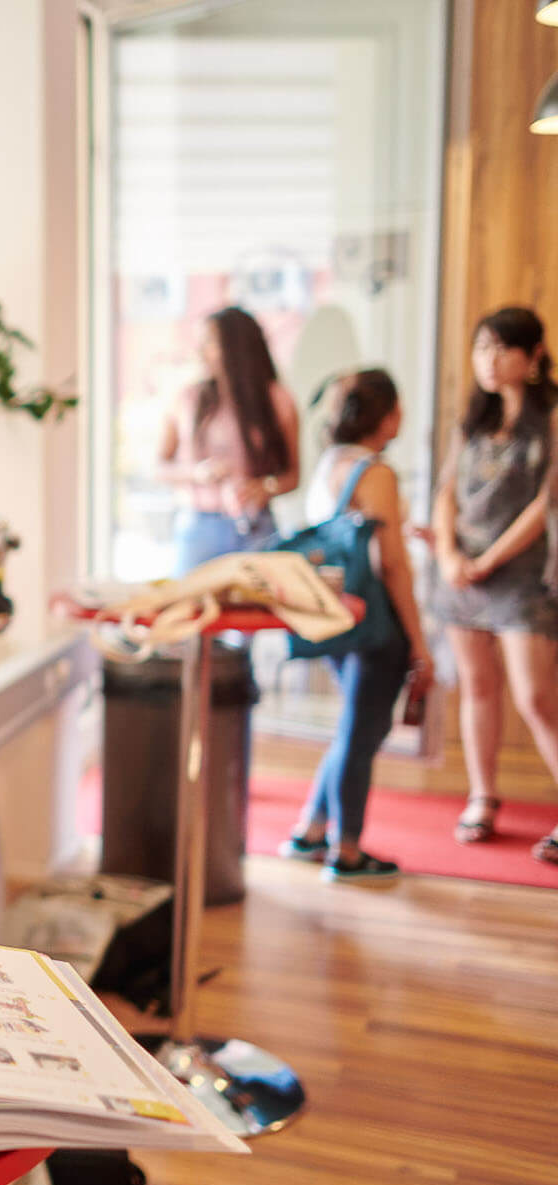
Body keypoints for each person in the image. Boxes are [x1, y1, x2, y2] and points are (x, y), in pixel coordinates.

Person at [277, 370, 433, 883]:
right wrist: (419, 641)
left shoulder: (331, 464)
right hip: (378, 622)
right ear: (387, 416)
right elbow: (393, 565)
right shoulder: (377, 472)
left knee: (352, 728)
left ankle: (312, 830)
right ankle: (346, 852)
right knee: (362, 734)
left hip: (339, 620)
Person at [427, 306, 558, 863]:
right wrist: (449, 553)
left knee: (535, 697)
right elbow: (445, 494)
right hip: (462, 573)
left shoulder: (551, 418)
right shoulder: (472, 421)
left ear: (532, 358)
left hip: (522, 577)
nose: (489, 359)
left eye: (502, 347)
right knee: (477, 687)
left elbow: (545, 503)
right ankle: (482, 797)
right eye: (482, 347)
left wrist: (488, 561)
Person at [156, 306, 302, 574]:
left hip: (257, 527)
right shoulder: (187, 399)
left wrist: (265, 487)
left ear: (237, 347)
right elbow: (159, 467)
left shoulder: (276, 400)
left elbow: (293, 475)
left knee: (257, 614)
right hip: (199, 526)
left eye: (209, 342)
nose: (200, 351)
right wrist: (196, 474)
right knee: (192, 611)